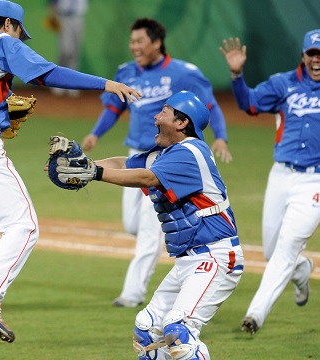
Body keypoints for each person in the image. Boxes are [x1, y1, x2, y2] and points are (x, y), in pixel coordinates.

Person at [0, 0, 141, 343]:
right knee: (23, 226)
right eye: (20, 33)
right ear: (8, 23)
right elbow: (46, 73)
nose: (20, 40)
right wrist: (105, 84)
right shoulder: (0, 42)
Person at [59, 91, 244, 359]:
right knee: (147, 331)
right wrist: (81, 165)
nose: (156, 116)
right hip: (187, 262)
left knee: (179, 332)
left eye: (164, 112)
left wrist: (94, 174)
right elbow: (124, 164)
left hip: (215, 256)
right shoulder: (167, 153)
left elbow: (146, 178)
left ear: (182, 123)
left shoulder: (190, 152)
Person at [219, 30, 320, 335]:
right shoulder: (283, 83)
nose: (316, 58)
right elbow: (249, 105)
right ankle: (302, 270)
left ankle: (255, 315)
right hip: (280, 176)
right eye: (311, 53)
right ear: (303, 56)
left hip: (317, 180)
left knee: (286, 247)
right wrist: (237, 76)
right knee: (274, 251)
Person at [81, 18, 232, 308]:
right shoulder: (126, 72)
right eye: (132, 41)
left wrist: (221, 137)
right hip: (137, 154)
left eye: (140, 41)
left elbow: (209, 106)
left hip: (168, 157)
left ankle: (132, 293)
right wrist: (95, 134)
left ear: (157, 42)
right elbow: (114, 107)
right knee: (132, 224)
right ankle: (160, 243)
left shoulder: (184, 73)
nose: (134, 46)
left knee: (152, 226)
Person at [47, 0, 88, 97]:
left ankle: (72, 84)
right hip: (63, 17)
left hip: (79, 17)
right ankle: (57, 81)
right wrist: (52, 13)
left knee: (75, 53)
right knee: (66, 50)